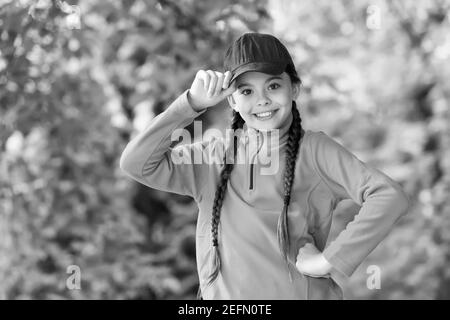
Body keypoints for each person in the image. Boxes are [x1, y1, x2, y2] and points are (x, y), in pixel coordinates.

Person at [119, 32, 410, 299]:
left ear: (294, 88)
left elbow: (387, 195)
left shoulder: (315, 151)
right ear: (231, 100)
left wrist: (329, 260)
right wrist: (191, 103)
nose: (262, 100)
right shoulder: (212, 156)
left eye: (273, 85)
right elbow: (136, 163)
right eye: (246, 91)